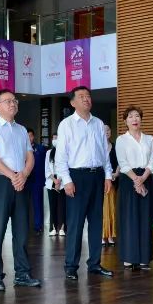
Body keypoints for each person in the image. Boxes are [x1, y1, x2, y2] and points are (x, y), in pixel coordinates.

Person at [0, 90, 41, 291]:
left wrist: (23, 174)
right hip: (0, 182)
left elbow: (30, 157)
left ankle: (22, 274)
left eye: (14, 101)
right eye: (7, 101)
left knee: (22, 231)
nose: (13, 104)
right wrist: (13, 176)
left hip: (21, 181)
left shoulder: (22, 130)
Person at [55, 86, 114, 280]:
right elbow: (61, 157)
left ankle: (94, 263)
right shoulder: (66, 125)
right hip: (77, 177)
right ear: (73, 102)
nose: (86, 99)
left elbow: (104, 153)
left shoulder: (98, 123)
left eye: (88, 96)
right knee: (76, 223)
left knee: (96, 222)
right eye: (81, 96)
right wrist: (67, 181)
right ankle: (71, 266)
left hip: (97, 175)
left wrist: (107, 175)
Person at [115, 106, 153, 270]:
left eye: (137, 116)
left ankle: (144, 258)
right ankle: (129, 257)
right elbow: (123, 163)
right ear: (125, 121)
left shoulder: (150, 139)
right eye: (130, 116)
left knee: (145, 218)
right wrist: (136, 180)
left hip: (146, 178)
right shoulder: (121, 140)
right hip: (128, 179)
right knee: (129, 218)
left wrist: (143, 179)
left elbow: (152, 162)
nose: (134, 119)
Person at [26, 128, 47, 233]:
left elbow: (45, 165)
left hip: (37, 180)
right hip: (24, 180)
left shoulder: (40, 149)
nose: (29, 138)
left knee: (37, 203)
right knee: (23, 204)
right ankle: (24, 226)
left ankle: (38, 226)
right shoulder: (21, 149)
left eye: (30, 136)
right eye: (27, 136)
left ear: (33, 137)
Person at [45, 135, 66, 236]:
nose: (55, 140)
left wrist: (59, 180)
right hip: (51, 180)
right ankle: (52, 228)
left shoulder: (64, 151)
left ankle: (62, 228)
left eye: (57, 138)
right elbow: (46, 169)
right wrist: (55, 180)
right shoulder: (48, 153)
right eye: (53, 138)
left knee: (62, 205)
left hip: (62, 181)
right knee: (52, 205)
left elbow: (65, 167)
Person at [102, 124, 118, 246]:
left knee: (112, 207)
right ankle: (103, 235)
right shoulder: (98, 146)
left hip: (113, 181)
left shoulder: (115, 147)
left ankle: (111, 235)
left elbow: (120, 162)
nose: (106, 132)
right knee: (103, 209)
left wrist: (116, 174)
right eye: (104, 130)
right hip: (101, 182)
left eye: (108, 130)